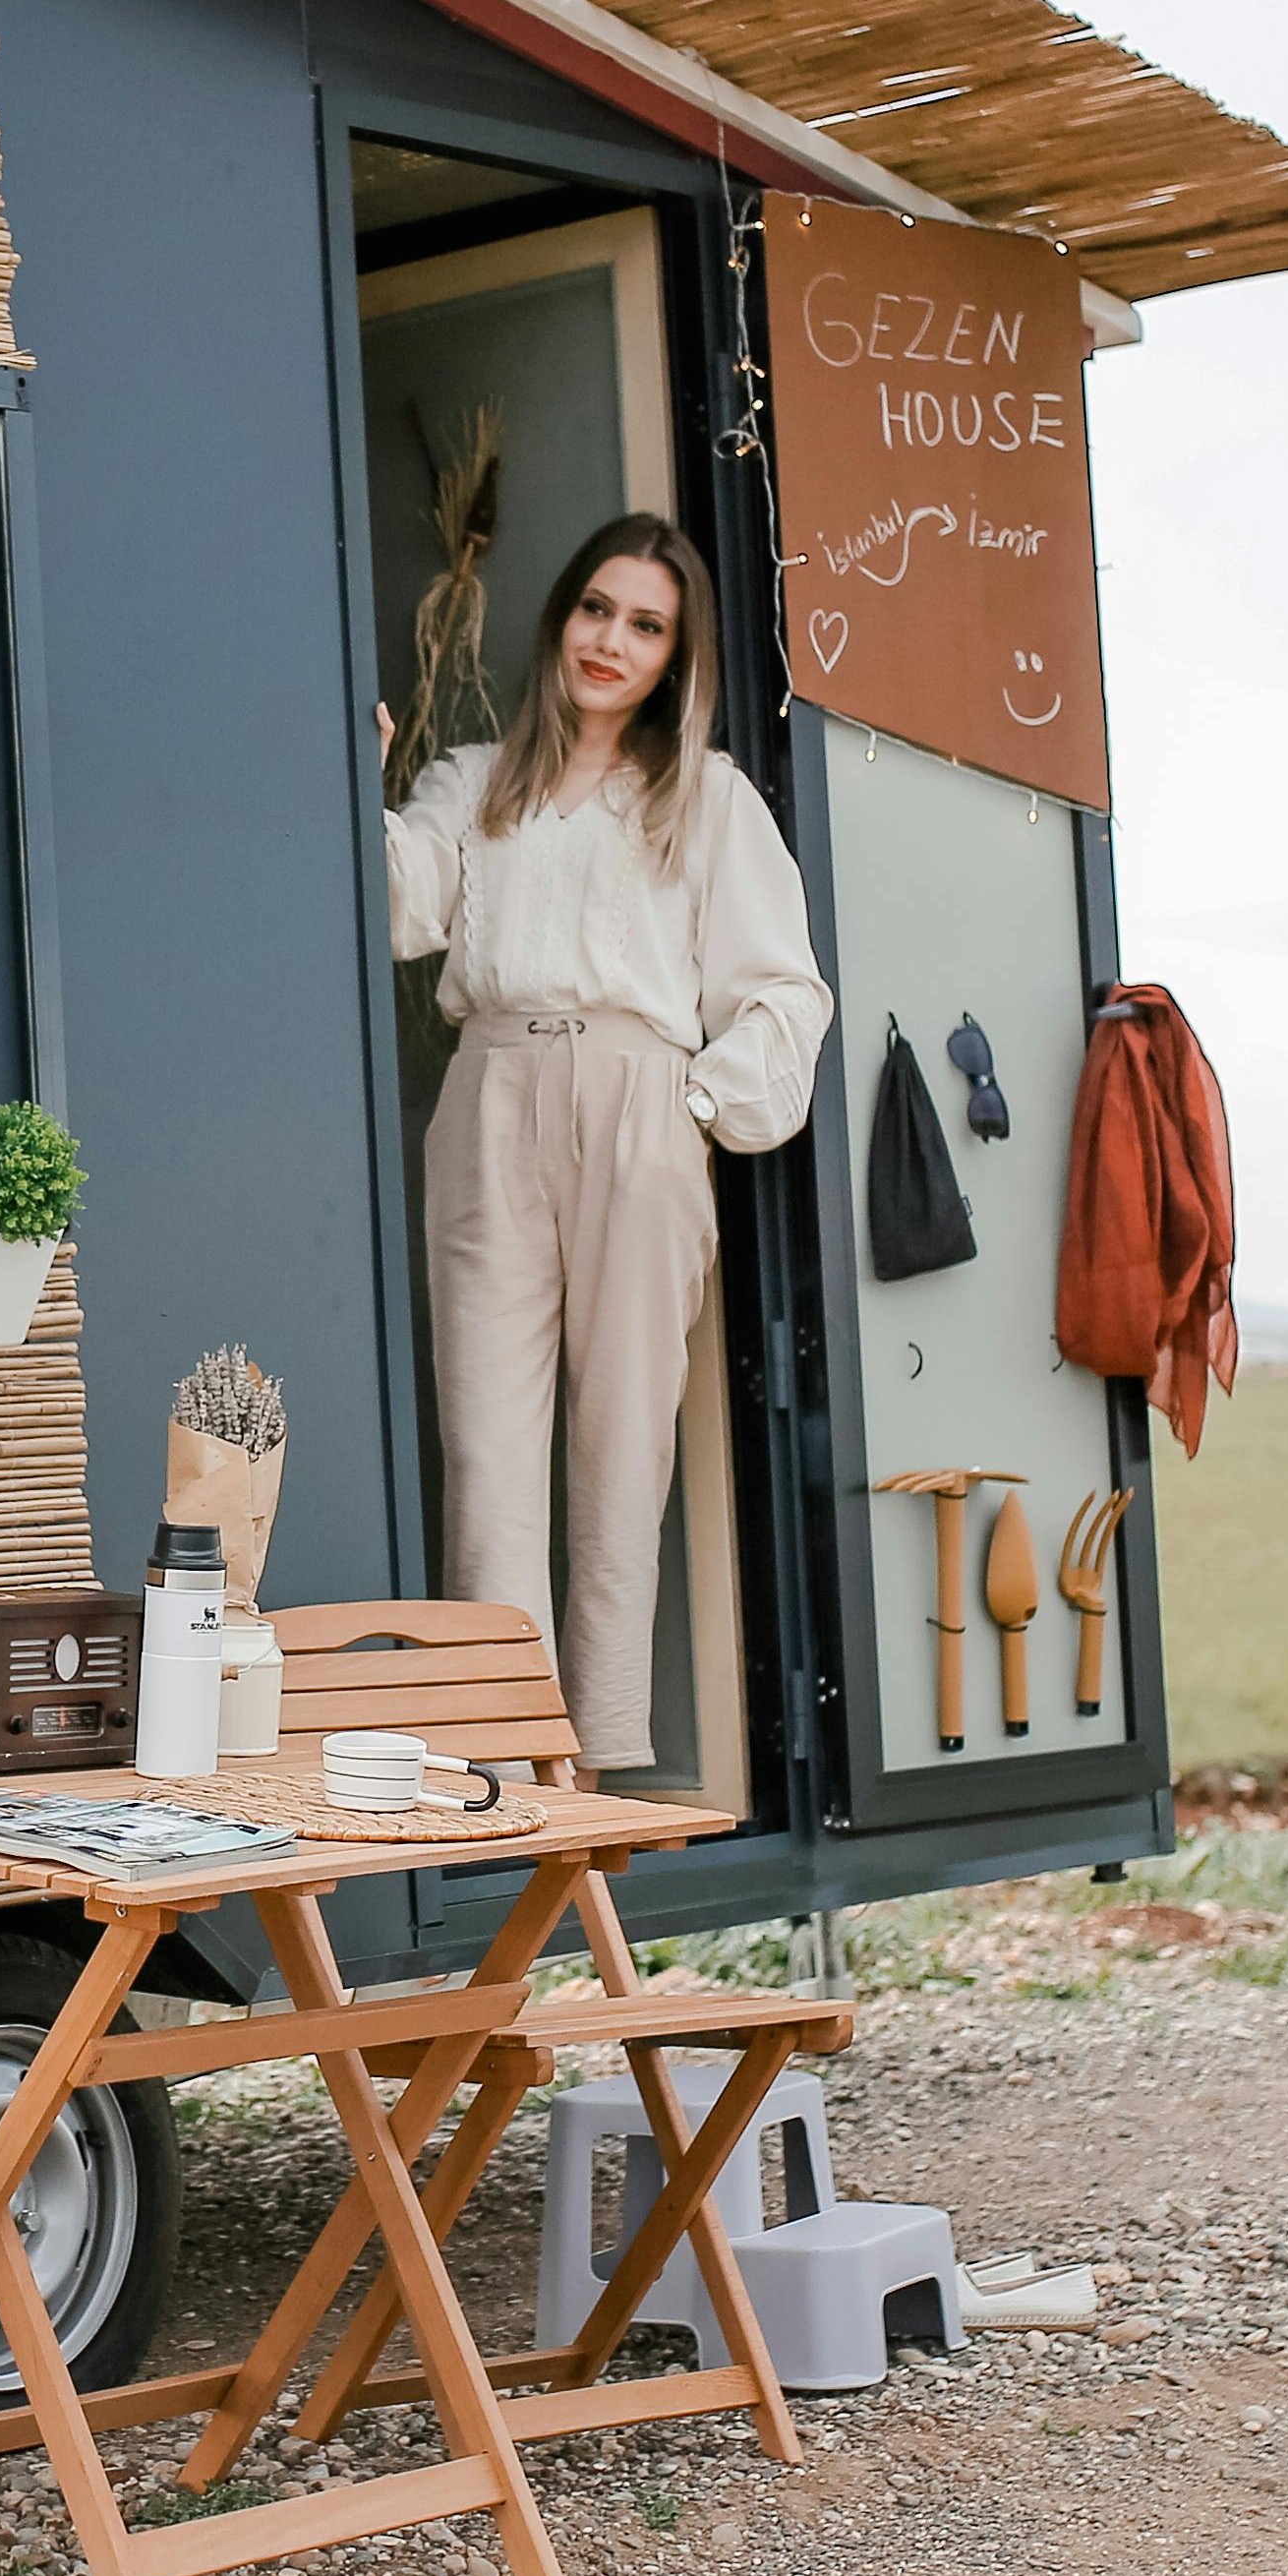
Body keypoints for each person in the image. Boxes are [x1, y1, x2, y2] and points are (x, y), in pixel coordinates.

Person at [380, 513, 835, 1767]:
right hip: (492, 1095)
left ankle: (608, 1750)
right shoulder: (472, 783)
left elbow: (785, 994)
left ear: (674, 656)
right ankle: (501, 1751)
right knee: (486, 1446)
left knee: (621, 1443)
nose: (611, 640)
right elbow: (398, 906)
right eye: (597, 609)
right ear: (560, 618)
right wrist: (330, 776)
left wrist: (694, 1105)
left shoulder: (708, 799)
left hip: (643, 1099)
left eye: (646, 625)